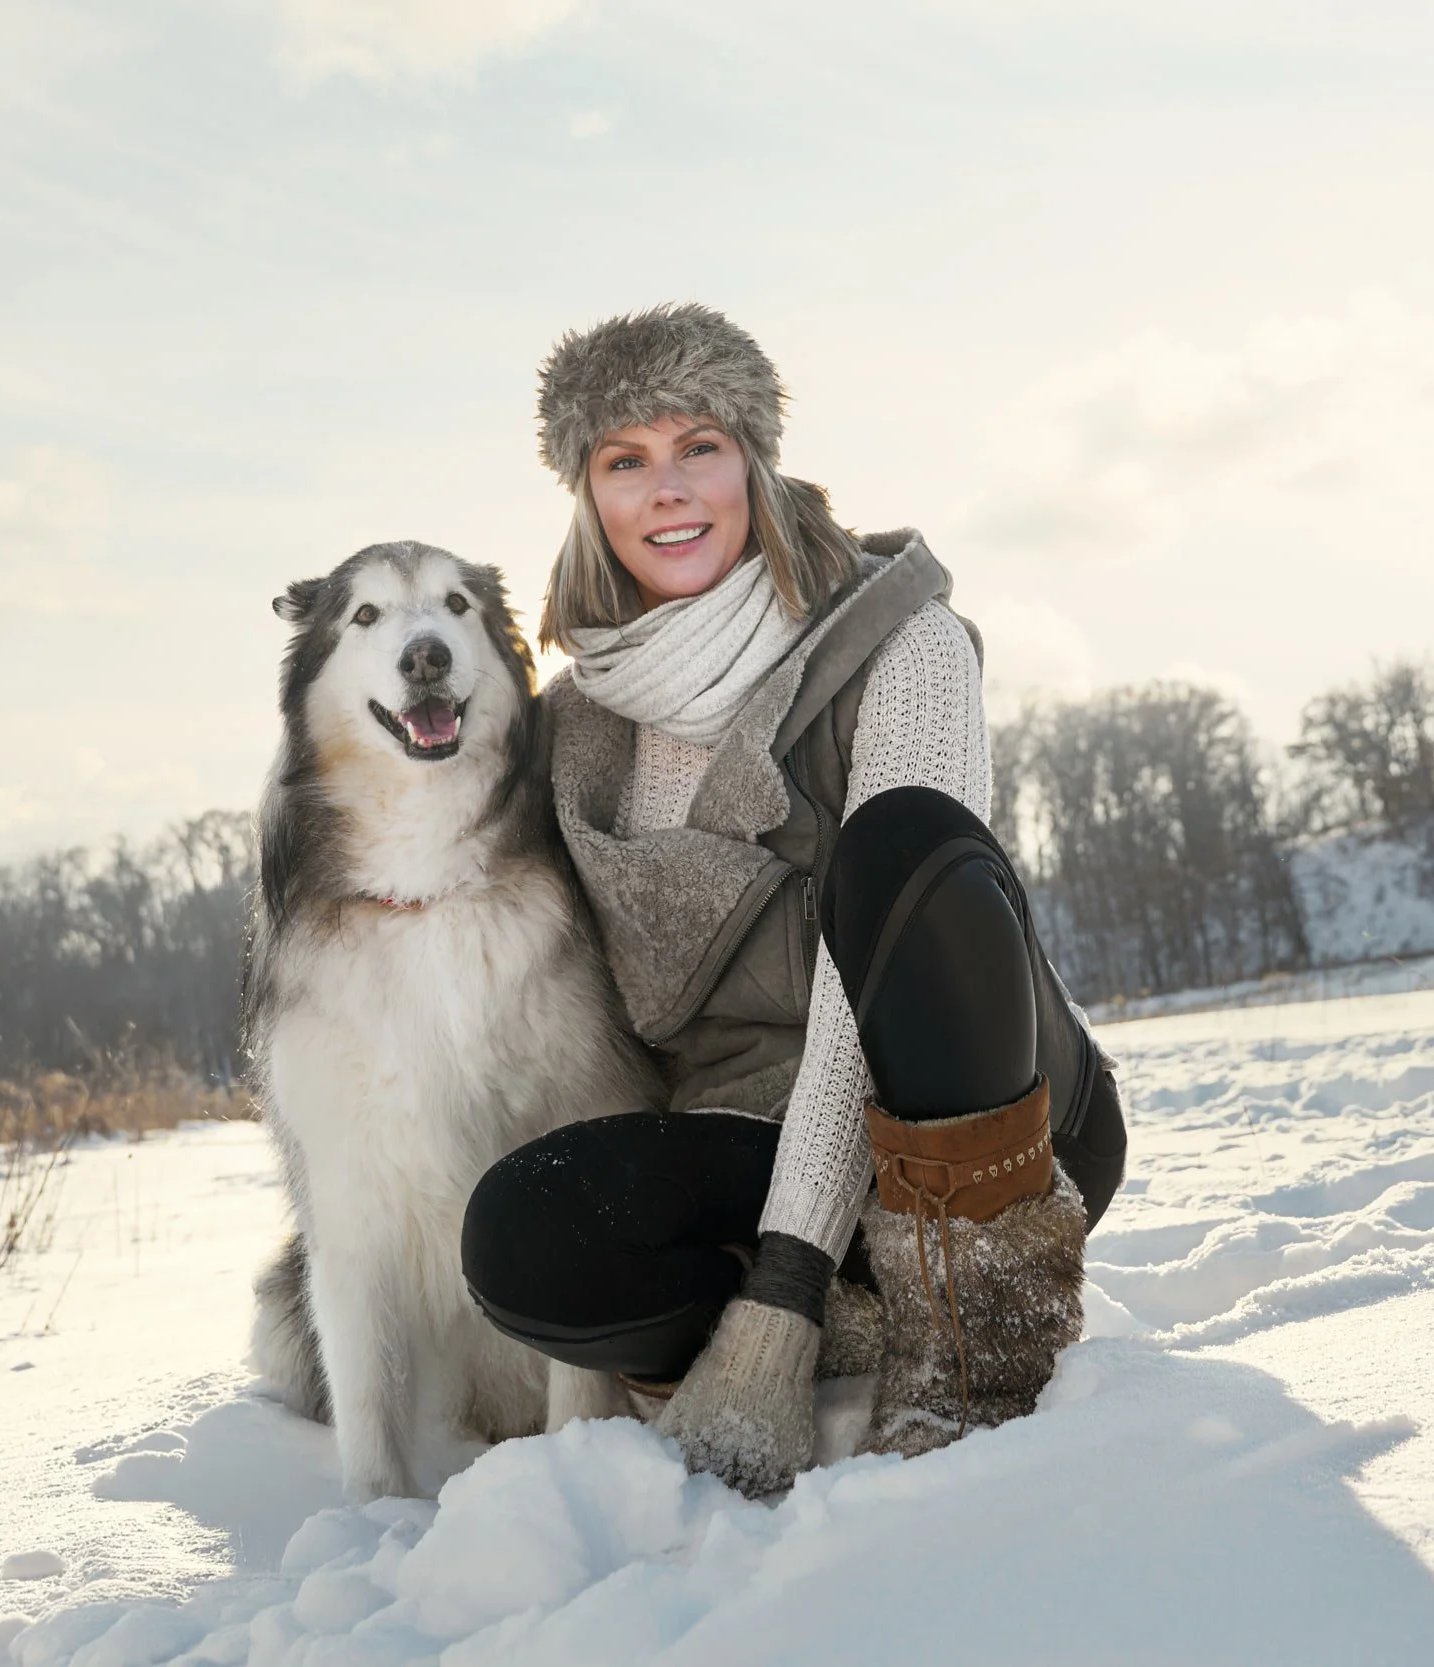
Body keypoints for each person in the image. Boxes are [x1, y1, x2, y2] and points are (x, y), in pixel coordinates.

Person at [460, 304, 1129, 1497]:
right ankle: (859, 1317)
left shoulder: (900, 640)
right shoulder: (575, 730)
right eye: (625, 460)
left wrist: (782, 1286)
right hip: (750, 1130)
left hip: (974, 1100)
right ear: (588, 497)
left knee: (902, 841)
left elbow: (849, 1002)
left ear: (754, 461)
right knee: (523, 1229)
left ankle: (973, 1336)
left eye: (699, 446)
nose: (668, 489)